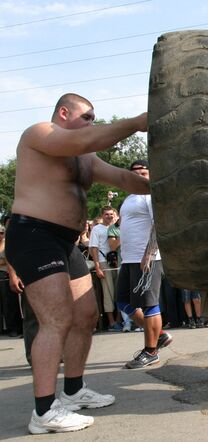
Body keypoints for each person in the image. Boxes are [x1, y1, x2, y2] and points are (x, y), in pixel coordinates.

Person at [4, 93, 149, 433]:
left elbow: (126, 180)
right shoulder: (40, 133)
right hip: (34, 235)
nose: (92, 123)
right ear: (64, 113)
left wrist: (168, 187)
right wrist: (135, 123)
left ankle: (72, 391)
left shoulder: (85, 158)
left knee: (85, 316)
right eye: (87, 116)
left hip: (66, 243)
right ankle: (43, 412)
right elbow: (86, 137)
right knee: (56, 319)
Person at [116, 160, 173, 369]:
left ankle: (151, 351)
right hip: (129, 259)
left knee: (149, 303)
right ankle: (159, 335)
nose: (140, 175)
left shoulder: (151, 196)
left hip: (147, 258)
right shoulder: (129, 198)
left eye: (144, 172)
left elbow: (159, 225)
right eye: (135, 173)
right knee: (123, 302)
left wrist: (149, 253)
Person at [88, 206, 120, 331]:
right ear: (102, 215)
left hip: (118, 262)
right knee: (108, 293)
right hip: (104, 262)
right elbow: (93, 248)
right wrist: (97, 266)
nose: (109, 216)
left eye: (111, 214)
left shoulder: (117, 228)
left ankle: (119, 320)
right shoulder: (97, 229)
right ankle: (112, 322)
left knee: (118, 292)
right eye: (106, 214)